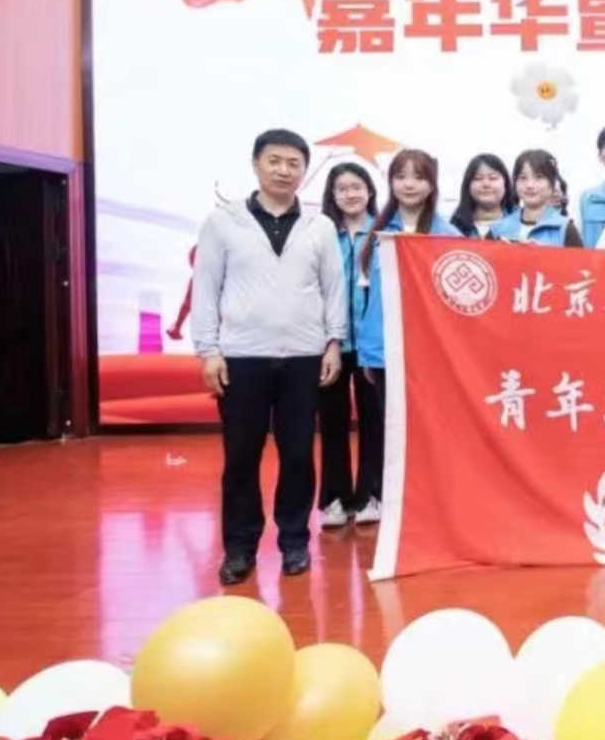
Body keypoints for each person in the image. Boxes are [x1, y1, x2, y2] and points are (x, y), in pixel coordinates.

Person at [190, 129, 345, 585]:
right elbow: (205, 287)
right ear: (256, 164)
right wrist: (208, 351)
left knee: (298, 454)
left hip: (304, 356)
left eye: (294, 163)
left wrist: (333, 342)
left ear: (304, 170)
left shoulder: (319, 225)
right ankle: (239, 548)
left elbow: (333, 287)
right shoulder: (223, 222)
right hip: (242, 357)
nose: (284, 171)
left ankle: (294, 541)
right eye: (274, 161)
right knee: (241, 457)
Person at [354, 148, 463, 525]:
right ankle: (394, 503)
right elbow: (367, 299)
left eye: (419, 176)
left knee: (432, 429)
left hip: (432, 352)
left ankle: (434, 502)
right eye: (401, 176)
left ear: (432, 183)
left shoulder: (449, 235)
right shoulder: (377, 234)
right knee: (390, 429)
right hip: (384, 351)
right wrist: (369, 354)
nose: (409, 184)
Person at [316, 160, 382, 529]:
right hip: (330, 343)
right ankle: (335, 498)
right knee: (332, 423)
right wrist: (329, 339)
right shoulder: (322, 233)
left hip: (374, 343)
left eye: (357, 187)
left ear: (369, 191)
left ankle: (372, 494)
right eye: (342, 189)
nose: (350, 194)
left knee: (375, 421)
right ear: (332, 195)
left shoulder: (385, 232)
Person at [492, 149, 584, 246]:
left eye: (539, 177)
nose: (530, 185)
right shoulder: (497, 229)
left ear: (552, 184)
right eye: (523, 177)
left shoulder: (565, 229)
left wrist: (542, 253)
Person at [449, 154, 516, 237]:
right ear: (468, 185)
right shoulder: (453, 228)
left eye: (493, 178)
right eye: (478, 178)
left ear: (506, 183)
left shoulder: (520, 224)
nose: (486, 184)